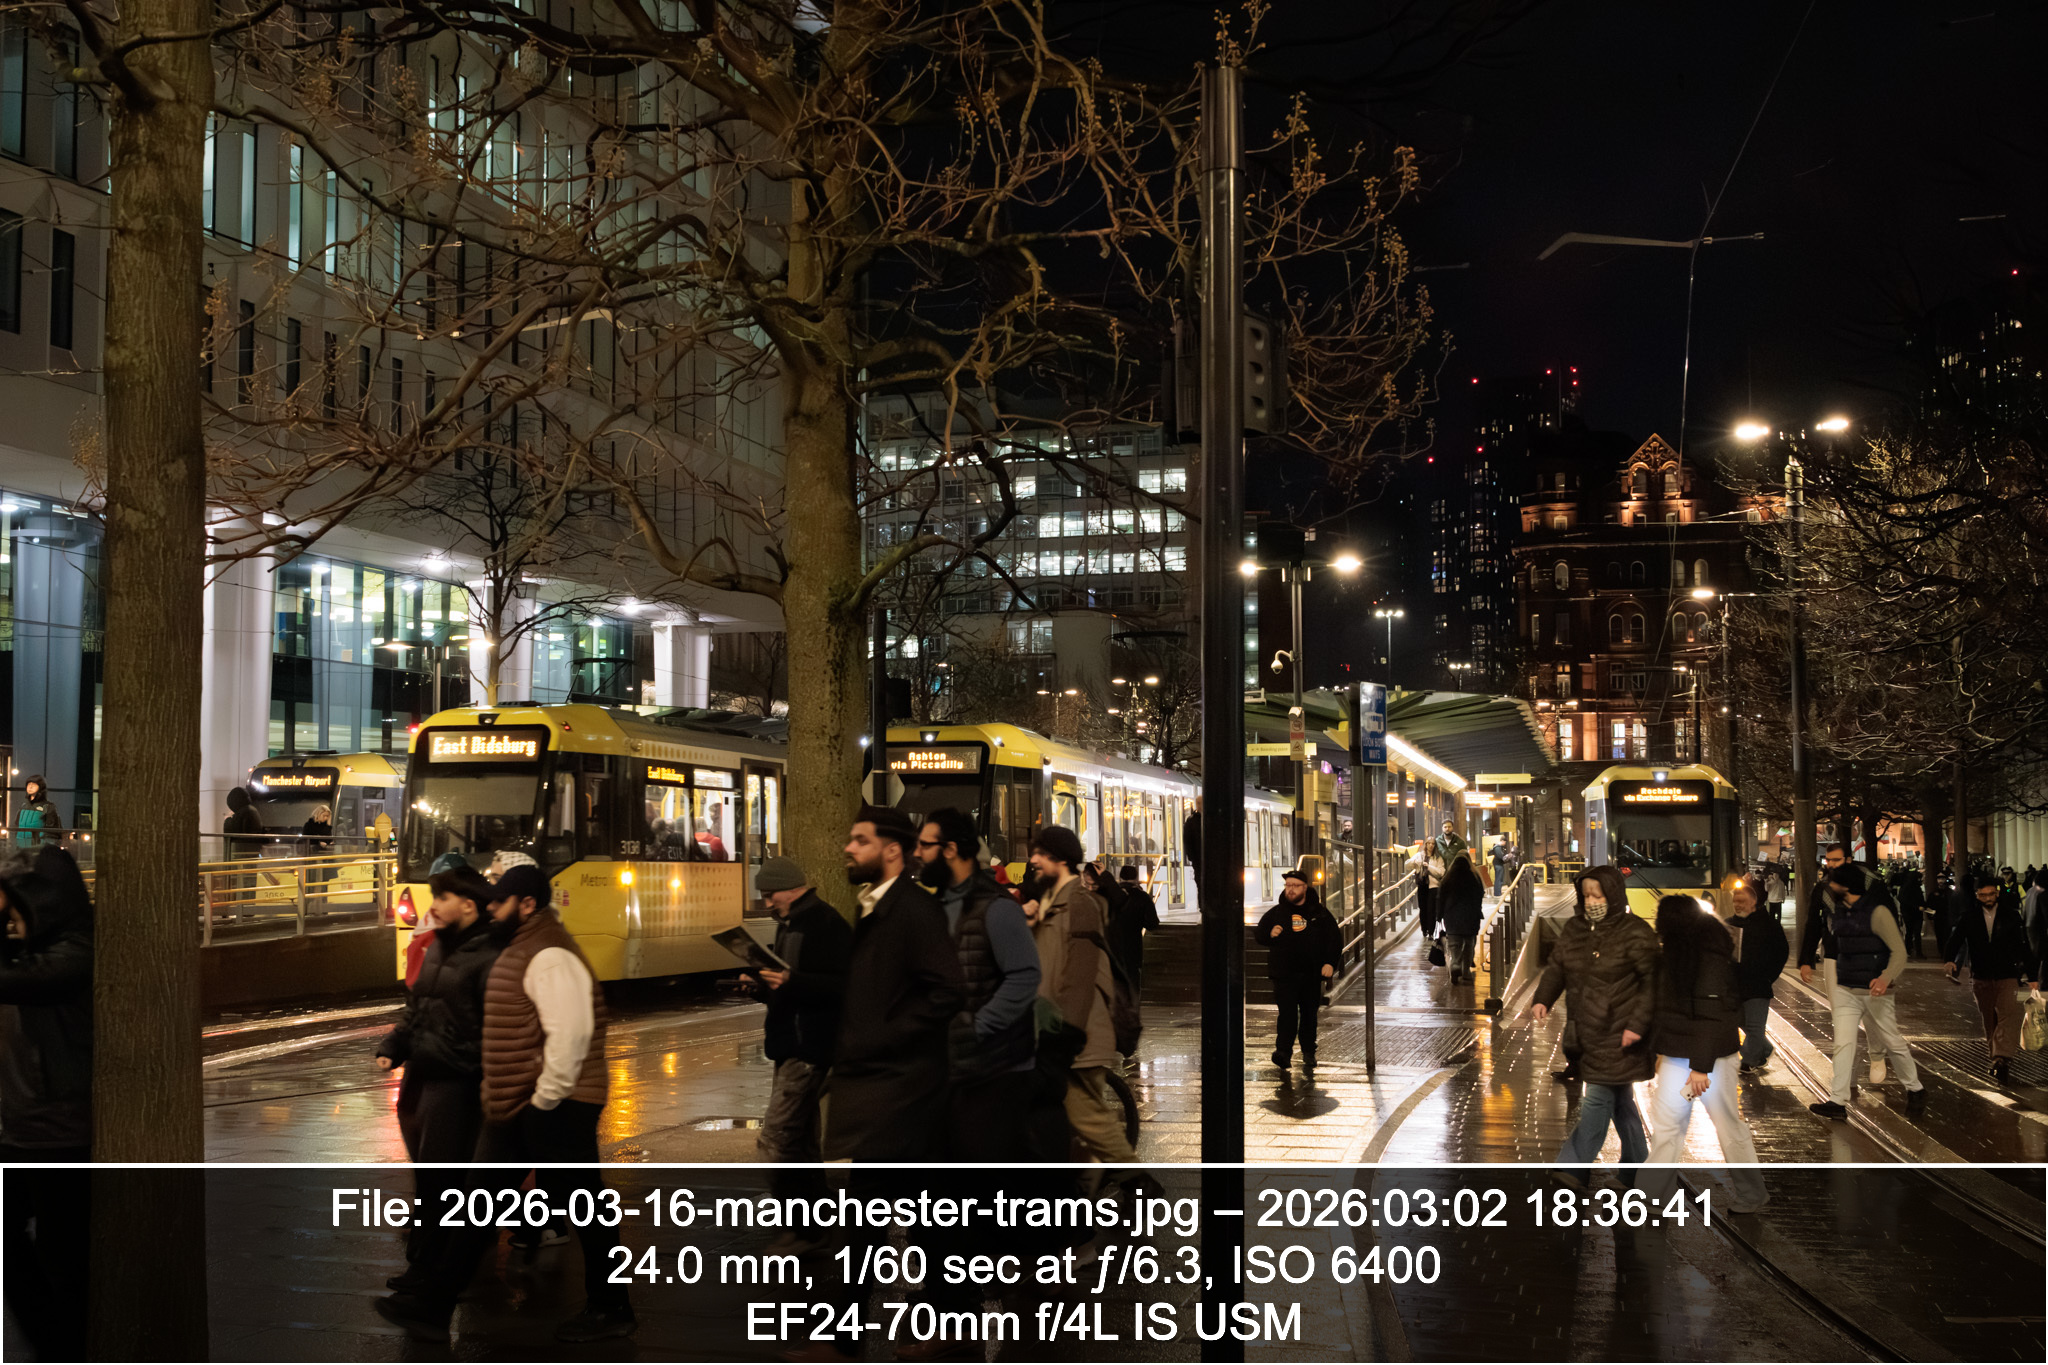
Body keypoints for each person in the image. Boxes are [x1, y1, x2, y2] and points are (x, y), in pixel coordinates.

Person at [375, 864, 635, 1344]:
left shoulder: (550, 955)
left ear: (528, 904)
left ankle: (611, 1306)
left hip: (555, 1103)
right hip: (519, 1101)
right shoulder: (521, 949)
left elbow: (571, 1034)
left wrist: (546, 1100)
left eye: (501, 901)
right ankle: (432, 1305)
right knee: (479, 1205)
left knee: (587, 1208)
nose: (492, 908)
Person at [373, 865, 501, 1290]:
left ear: (468, 905)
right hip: (424, 1074)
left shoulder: (488, 955)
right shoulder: (438, 947)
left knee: (444, 1179)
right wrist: (394, 1046)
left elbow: (493, 1025)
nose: (434, 906)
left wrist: (472, 1065)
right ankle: (426, 1266)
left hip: (458, 1081)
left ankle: (433, 1273)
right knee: (431, 1176)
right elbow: (418, 1007)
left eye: (443, 898)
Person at [823, 806, 964, 1162]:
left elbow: (948, 990)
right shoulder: (871, 907)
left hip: (901, 1092)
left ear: (891, 850)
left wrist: (886, 1035)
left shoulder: (915, 910)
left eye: (861, 840)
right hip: (877, 1086)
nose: (848, 848)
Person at [0, 846, 92, 1361]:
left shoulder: (74, 952)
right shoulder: (36, 948)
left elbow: (15, 984)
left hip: (61, 1131)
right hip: (24, 1126)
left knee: (65, 1260)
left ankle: (64, 1350)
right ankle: (53, 1345)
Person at [917, 808, 1040, 1161]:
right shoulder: (935, 905)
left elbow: (1025, 975)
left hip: (996, 1069)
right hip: (953, 1065)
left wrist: (977, 1027)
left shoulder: (997, 908)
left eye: (925, 845)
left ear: (951, 849)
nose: (917, 853)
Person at [1639, 895, 1769, 1214]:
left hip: (1710, 1063)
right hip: (1682, 1057)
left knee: (1724, 1123)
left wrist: (1700, 1068)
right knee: (1669, 1122)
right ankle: (1654, 1196)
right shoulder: (1677, 954)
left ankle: (1752, 1194)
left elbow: (1710, 1014)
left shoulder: (1705, 957)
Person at [1531, 866, 1659, 1179]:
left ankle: (1572, 1167)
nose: (1590, 901)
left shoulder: (1635, 932)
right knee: (1621, 1102)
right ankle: (1636, 1168)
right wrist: (1542, 998)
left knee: (1598, 1099)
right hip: (1587, 1030)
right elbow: (1557, 968)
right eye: (1586, 894)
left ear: (1612, 895)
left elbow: (1652, 984)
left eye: (1596, 894)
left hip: (1620, 1033)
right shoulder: (1575, 929)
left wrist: (1637, 1027)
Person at [1026, 825, 1132, 1162]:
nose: (1033, 860)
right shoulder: (1051, 904)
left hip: (1080, 1032)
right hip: (1058, 1031)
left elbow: (1080, 974)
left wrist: (1066, 1034)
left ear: (1060, 859)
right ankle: (1081, 1195)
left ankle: (1138, 1182)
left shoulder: (1080, 903)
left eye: (1040, 854)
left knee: (1086, 1117)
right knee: (1074, 1127)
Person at [1798, 862, 1927, 1120]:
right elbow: (1821, 930)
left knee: (1891, 1040)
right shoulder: (1839, 912)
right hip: (1846, 988)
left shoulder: (1877, 912)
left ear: (1846, 887)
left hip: (1874, 990)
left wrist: (1885, 978)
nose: (1829, 886)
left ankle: (1915, 1088)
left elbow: (1899, 952)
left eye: (1833, 883)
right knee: (1843, 1043)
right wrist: (1808, 958)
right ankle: (1837, 1101)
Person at [751, 856, 851, 1162]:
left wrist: (790, 981)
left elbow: (842, 986)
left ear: (792, 889)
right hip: (792, 1042)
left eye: (771, 895)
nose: (768, 904)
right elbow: (788, 987)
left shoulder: (824, 924)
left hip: (806, 1043)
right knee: (801, 1137)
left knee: (776, 1137)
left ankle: (788, 1203)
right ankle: (808, 1203)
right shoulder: (790, 923)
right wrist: (759, 986)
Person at [1946, 871, 2040, 1086]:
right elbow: (1956, 940)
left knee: (2008, 1015)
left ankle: (2002, 1058)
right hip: (1981, 974)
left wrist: (2032, 975)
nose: (1988, 899)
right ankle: (1997, 1057)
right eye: (1983, 895)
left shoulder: (2011, 916)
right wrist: (1950, 960)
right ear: (1977, 896)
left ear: (1997, 894)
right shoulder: (1969, 917)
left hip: (2007, 973)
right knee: (1989, 1018)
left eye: (1991, 894)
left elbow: (2023, 945)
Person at [1257, 869, 1341, 1072]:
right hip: (1284, 973)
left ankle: (1308, 1051)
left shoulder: (1319, 913)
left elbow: (1334, 939)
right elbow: (1259, 934)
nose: (1290, 890)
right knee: (1286, 1014)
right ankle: (1283, 1053)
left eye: (1295, 886)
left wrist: (1330, 962)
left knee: (1309, 1015)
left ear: (1305, 888)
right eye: (1288, 886)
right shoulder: (1277, 912)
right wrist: (1270, 934)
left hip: (1310, 974)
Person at [1726, 876, 1788, 1072]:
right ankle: (1765, 1049)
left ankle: (1748, 1061)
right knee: (1739, 1022)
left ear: (1753, 902)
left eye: (1742, 901)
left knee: (1754, 1027)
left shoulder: (1768, 925)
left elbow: (1781, 953)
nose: (1737, 905)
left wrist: (1768, 976)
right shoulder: (1728, 924)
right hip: (1734, 986)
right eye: (1735, 901)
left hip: (1758, 986)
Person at [1437, 853, 1490, 986]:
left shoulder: (1448, 878)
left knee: (1454, 943)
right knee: (1469, 943)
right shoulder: (1474, 877)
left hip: (1452, 915)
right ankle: (1466, 972)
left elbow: (1440, 898)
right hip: (1471, 915)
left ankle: (1455, 963)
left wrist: (1439, 915)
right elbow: (1480, 894)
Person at [1111, 865, 1160, 996]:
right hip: (1133, 947)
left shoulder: (1110, 894)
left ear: (1120, 877)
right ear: (1136, 878)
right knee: (1132, 984)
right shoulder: (1142, 897)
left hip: (1112, 947)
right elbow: (1152, 924)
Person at [1407, 841, 1445, 944]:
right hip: (1422, 886)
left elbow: (1441, 872)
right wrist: (1414, 862)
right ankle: (1424, 929)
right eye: (1429, 843)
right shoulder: (1419, 855)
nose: (1431, 845)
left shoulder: (1438, 858)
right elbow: (1407, 864)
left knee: (1432, 909)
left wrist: (1429, 866)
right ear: (1426, 845)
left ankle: (1431, 932)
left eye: (1433, 844)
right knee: (1423, 908)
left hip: (1433, 886)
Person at [12, 776, 61, 848]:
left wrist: (45, 847)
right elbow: (16, 826)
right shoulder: (24, 806)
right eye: (28, 784)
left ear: (41, 788)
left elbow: (52, 832)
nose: (30, 787)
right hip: (21, 847)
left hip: (38, 848)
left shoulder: (47, 806)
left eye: (34, 785)